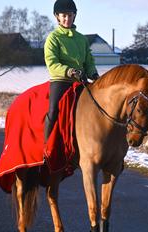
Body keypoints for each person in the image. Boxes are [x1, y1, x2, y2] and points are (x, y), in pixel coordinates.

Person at [44, 0, 99, 142]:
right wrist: (69, 71)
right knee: (53, 110)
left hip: (81, 81)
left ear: (74, 16)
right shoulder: (53, 38)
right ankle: (46, 146)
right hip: (61, 81)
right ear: (57, 17)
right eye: (63, 16)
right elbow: (52, 63)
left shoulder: (82, 39)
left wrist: (93, 73)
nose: (67, 19)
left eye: (70, 15)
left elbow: (89, 61)